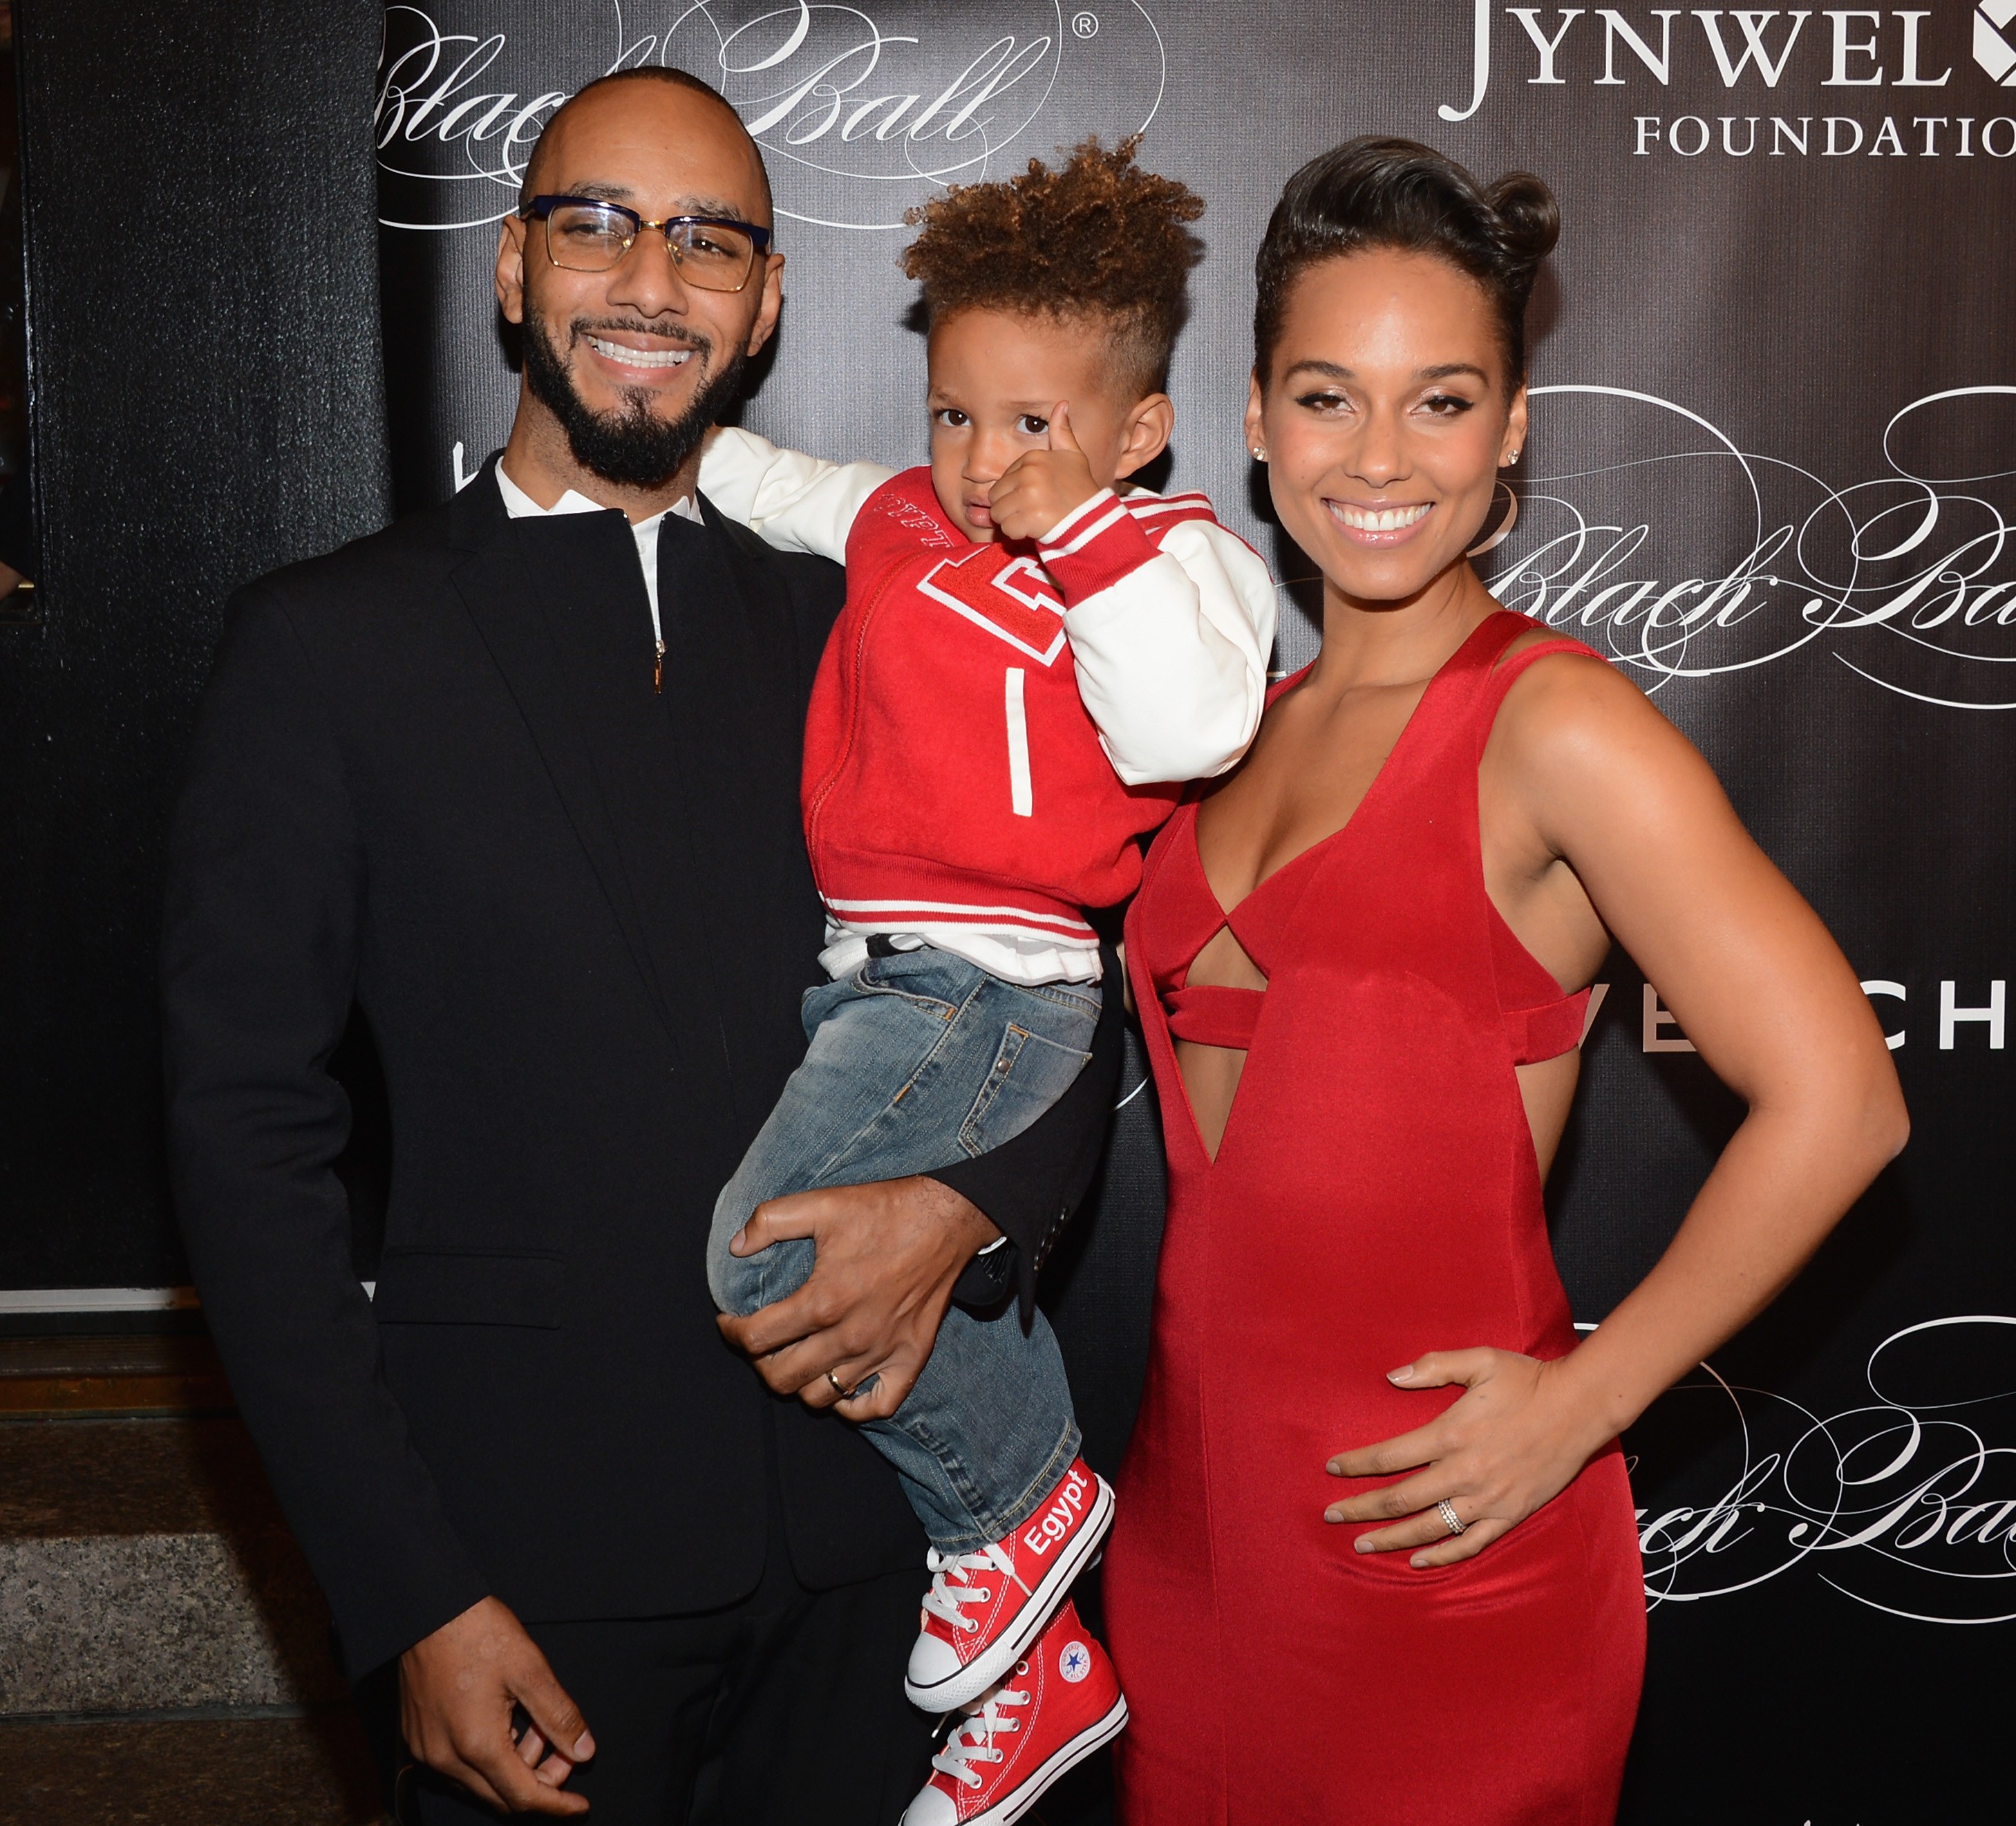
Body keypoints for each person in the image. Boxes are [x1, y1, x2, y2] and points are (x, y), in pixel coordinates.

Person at [162, 68, 1126, 1824]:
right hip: (529, 1578)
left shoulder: (869, 615)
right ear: (516, 270)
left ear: (763, 307)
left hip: (882, 1549)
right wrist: (410, 1595)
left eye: (707, 240)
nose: (649, 279)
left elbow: (1054, 965)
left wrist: (976, 1204)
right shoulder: (324, 649)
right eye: (595, 221)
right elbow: (242, 1141)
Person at [1102, 138, 1910, 1823]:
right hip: (1189, 1546)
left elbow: (1843, 1101)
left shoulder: (1553, 724)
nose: (1380, 456)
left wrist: (1587, 1406)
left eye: (1443, 400)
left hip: (1448, 1565)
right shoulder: (1219, 724)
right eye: (1328, 396)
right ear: (1253, 416)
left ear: (1517, 425)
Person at [695, 140, 1277, 1825]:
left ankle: (1023, 1506)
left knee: (758, 1250)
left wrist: (1081, 533)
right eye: (958, 414)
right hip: (874, 983)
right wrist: (669, 449)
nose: (985, 462)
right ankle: (1041, 1675)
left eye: (1036, 424)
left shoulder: (1173, 557)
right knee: (837, 1311)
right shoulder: (897, 516)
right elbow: (780, 485)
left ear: (1140, 430)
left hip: (999, 990)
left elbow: (1184, 731)